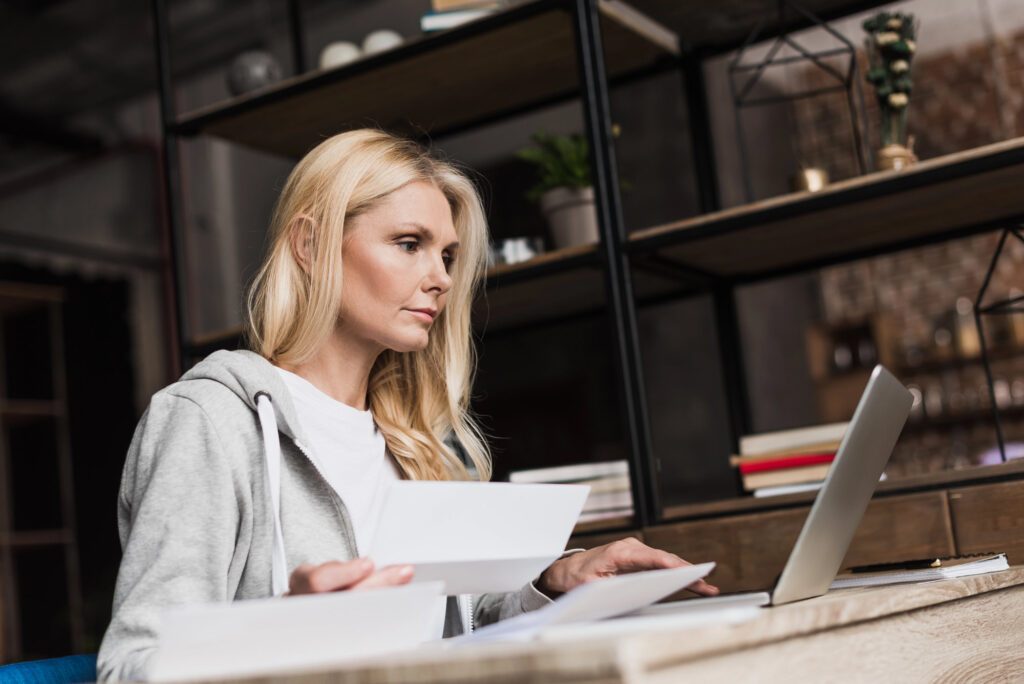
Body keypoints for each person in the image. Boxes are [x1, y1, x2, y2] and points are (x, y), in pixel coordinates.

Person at [97, 128, 717, 681]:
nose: (442, 277)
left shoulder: (417, 441)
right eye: (408, 243)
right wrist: (281, 632)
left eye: (446, 255)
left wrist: (553, 583)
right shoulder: (211, 422)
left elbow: (459, 628)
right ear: (310, 246)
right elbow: (130, 669)